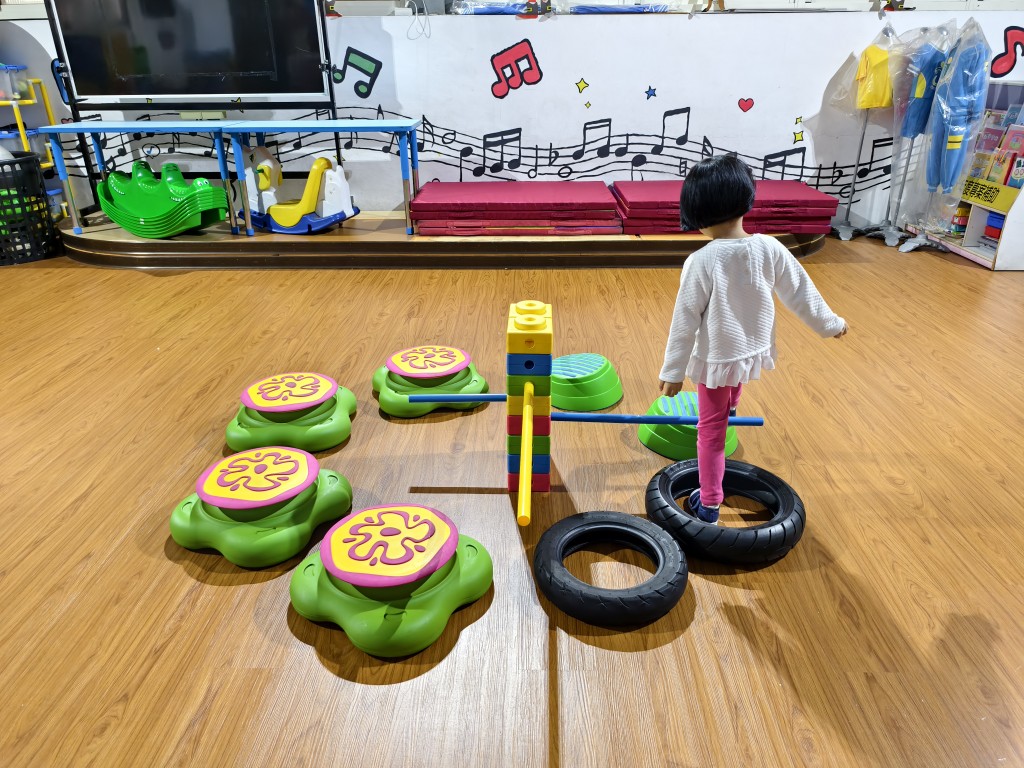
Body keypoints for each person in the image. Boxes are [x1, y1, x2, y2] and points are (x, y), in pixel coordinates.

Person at [658, 154, 848, 524]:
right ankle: (730, 409)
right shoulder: (770, 247)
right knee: (734, 384)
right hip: (751, 349)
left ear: (697, 213)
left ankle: (709, 504)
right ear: (746, 200)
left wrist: (673, 372)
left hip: (718, 360)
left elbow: (684, 321)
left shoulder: (701, 260)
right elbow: (802, 293)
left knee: (710, 434)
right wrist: (832, 324)